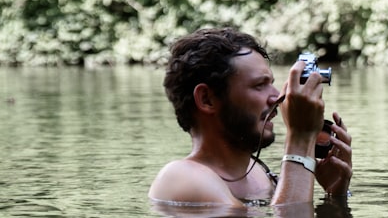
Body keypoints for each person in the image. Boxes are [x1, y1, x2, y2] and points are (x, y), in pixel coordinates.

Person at [149, 27, 352, 207]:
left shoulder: (260, 174)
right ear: (207, 99)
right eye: (259, 85)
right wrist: (300, 139)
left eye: (271, 83)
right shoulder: (182, 177)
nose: (277, 97)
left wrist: (336, 195)